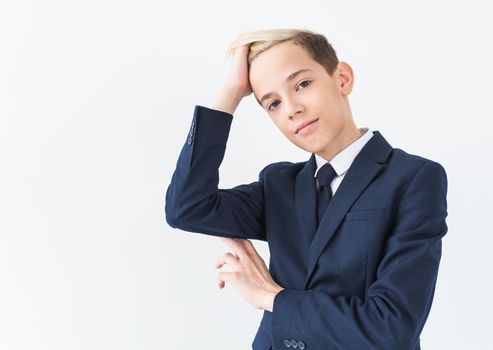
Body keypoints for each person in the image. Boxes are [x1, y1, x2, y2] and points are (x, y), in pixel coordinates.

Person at [165, 28, 448, 350]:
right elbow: (186, 209)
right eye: (272, 103)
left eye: (302, 84)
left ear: (342, 78)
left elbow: (390, 329)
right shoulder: (279, 185)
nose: (291, 109)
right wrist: (228, 95)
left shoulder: (413, 178)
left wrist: (272, 297)